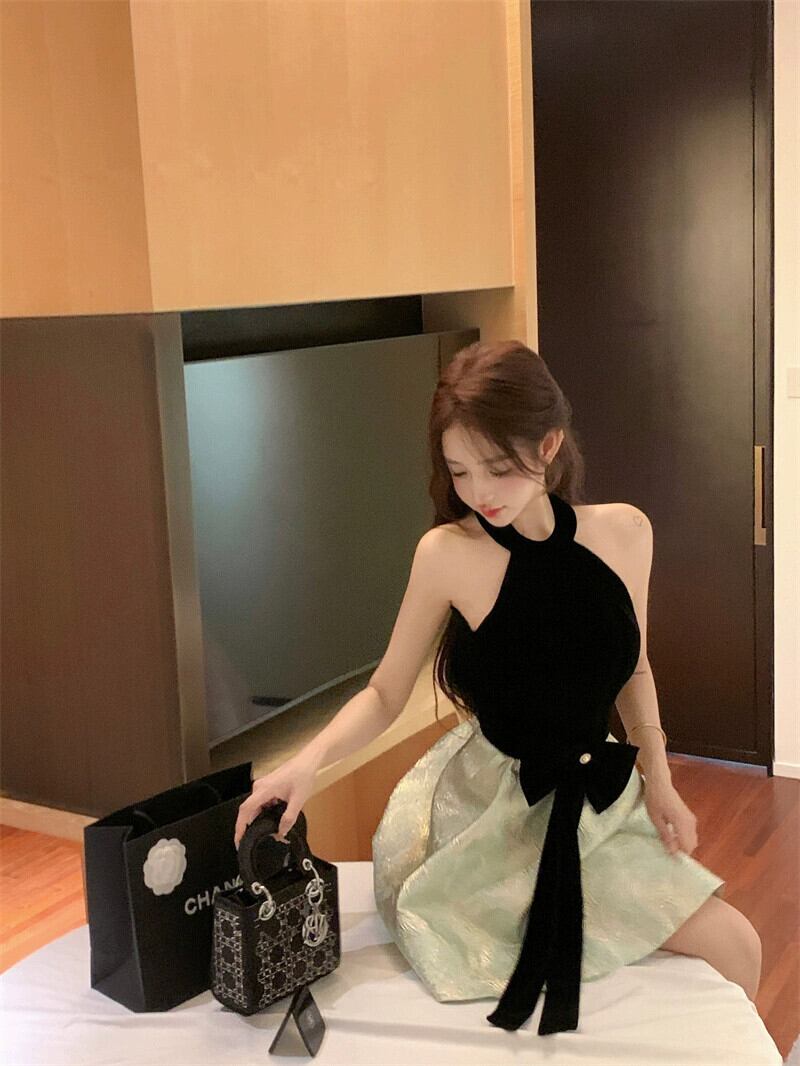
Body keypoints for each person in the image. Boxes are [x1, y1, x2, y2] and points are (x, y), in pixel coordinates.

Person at [233, 340, 762, 1034]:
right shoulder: (447, 555)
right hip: (492, 814)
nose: (479, 493)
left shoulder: (626, 533)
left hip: (600, 797)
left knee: (739, 947)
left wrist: (659, 779)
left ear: (549, 445)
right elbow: (385, 695)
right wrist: (307, 763)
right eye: (459, 471)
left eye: (498, 469)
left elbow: (634, 668)